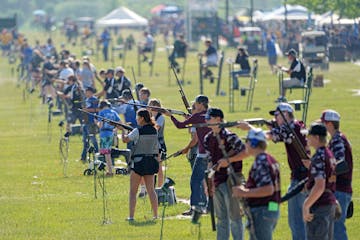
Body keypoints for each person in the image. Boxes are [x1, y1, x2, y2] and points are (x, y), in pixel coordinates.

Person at [267, 102, 309, 240]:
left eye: (277, 115)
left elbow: (276, 136)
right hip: (303, 176)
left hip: (300, 178)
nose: (275, 118)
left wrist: (252, 130)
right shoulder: (297, 126)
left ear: (285, 114)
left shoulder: (292, 128)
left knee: (296, 221)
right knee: (300, 220)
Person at [164, 95, 211, 216]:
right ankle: (210, 206)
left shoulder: (197, 117)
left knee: (195, 181)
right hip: (214, 154)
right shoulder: (212, 115)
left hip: (202, 154)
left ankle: (195, 208)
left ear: (200, 104)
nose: (194, 106)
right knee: (211, 181)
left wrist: (171, 116)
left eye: (196, 104)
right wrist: (190, 119)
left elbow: (180, 125)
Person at [203, 108, 247, 240]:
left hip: (231, 180)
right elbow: (210, 162)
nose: (206, 121)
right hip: (217, 181)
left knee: (235, 217)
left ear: (218, 119)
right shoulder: (208, 138)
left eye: (209, 118)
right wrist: (208, 183)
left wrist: (229, 160)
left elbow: (245, 152)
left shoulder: (230, 136)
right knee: (221, 218)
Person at [232, 128, 281, 240]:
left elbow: (268, 189)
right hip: (272, 207)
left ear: (253, 143)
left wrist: (244, 192)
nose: (245, 145)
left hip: (262, 210)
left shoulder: (261, 162)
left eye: (247, 142)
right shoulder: (270, 159)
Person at [320, 110, 353, 240]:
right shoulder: (337, 138)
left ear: (329, 124)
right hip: (340, 189)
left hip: (340, 190)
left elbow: (341, 164)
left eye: (323, 122)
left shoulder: (338, 140)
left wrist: (326, 173)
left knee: (337, 229)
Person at [121, 109, 159, 221]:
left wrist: (123, 130)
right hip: (151, 161)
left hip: (138, 163)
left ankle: (131, 217)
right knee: (151, 190)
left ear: (142, 118)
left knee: (133, 192)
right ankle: (156, 215)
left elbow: (125, 140)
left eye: (137, 117)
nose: (136, 119)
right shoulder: (154, 130)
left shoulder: (137, 130)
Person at [303, 123, 337, 240]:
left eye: (309, 136)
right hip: (329, 203)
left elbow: (320, 186)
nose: (307, 138)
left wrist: (306, 205)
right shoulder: (329, 153)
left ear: (316, 137)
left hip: (320, 206)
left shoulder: (319, 156)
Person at [96, 100, 121, 176]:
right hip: (111, 133)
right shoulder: (113, 112)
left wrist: (96, 122)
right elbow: (120, 123)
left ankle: (110, 171)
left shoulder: (102, 112)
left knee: (107, 154)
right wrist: (115, 129)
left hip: (104, 134)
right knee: (107, 152)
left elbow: (100, 125)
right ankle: (109, 169)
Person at [148, 99, 167, 188]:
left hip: (158, 145)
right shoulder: (150, 117)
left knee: (159, 168)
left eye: (151, 105)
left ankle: (159, 187)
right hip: (150, 144)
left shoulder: (160, 118)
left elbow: (156, 129)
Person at [81, 87, 99, 162]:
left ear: (91, 92)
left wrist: (87, 110)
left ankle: (98, 154)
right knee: (85, 140)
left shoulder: (95, 100)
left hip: (91, 122)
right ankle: (83, 157)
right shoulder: (86, 100)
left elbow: (97, 110)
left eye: (87, 92)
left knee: (93, 139)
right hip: (86, 122)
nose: (86, 93)